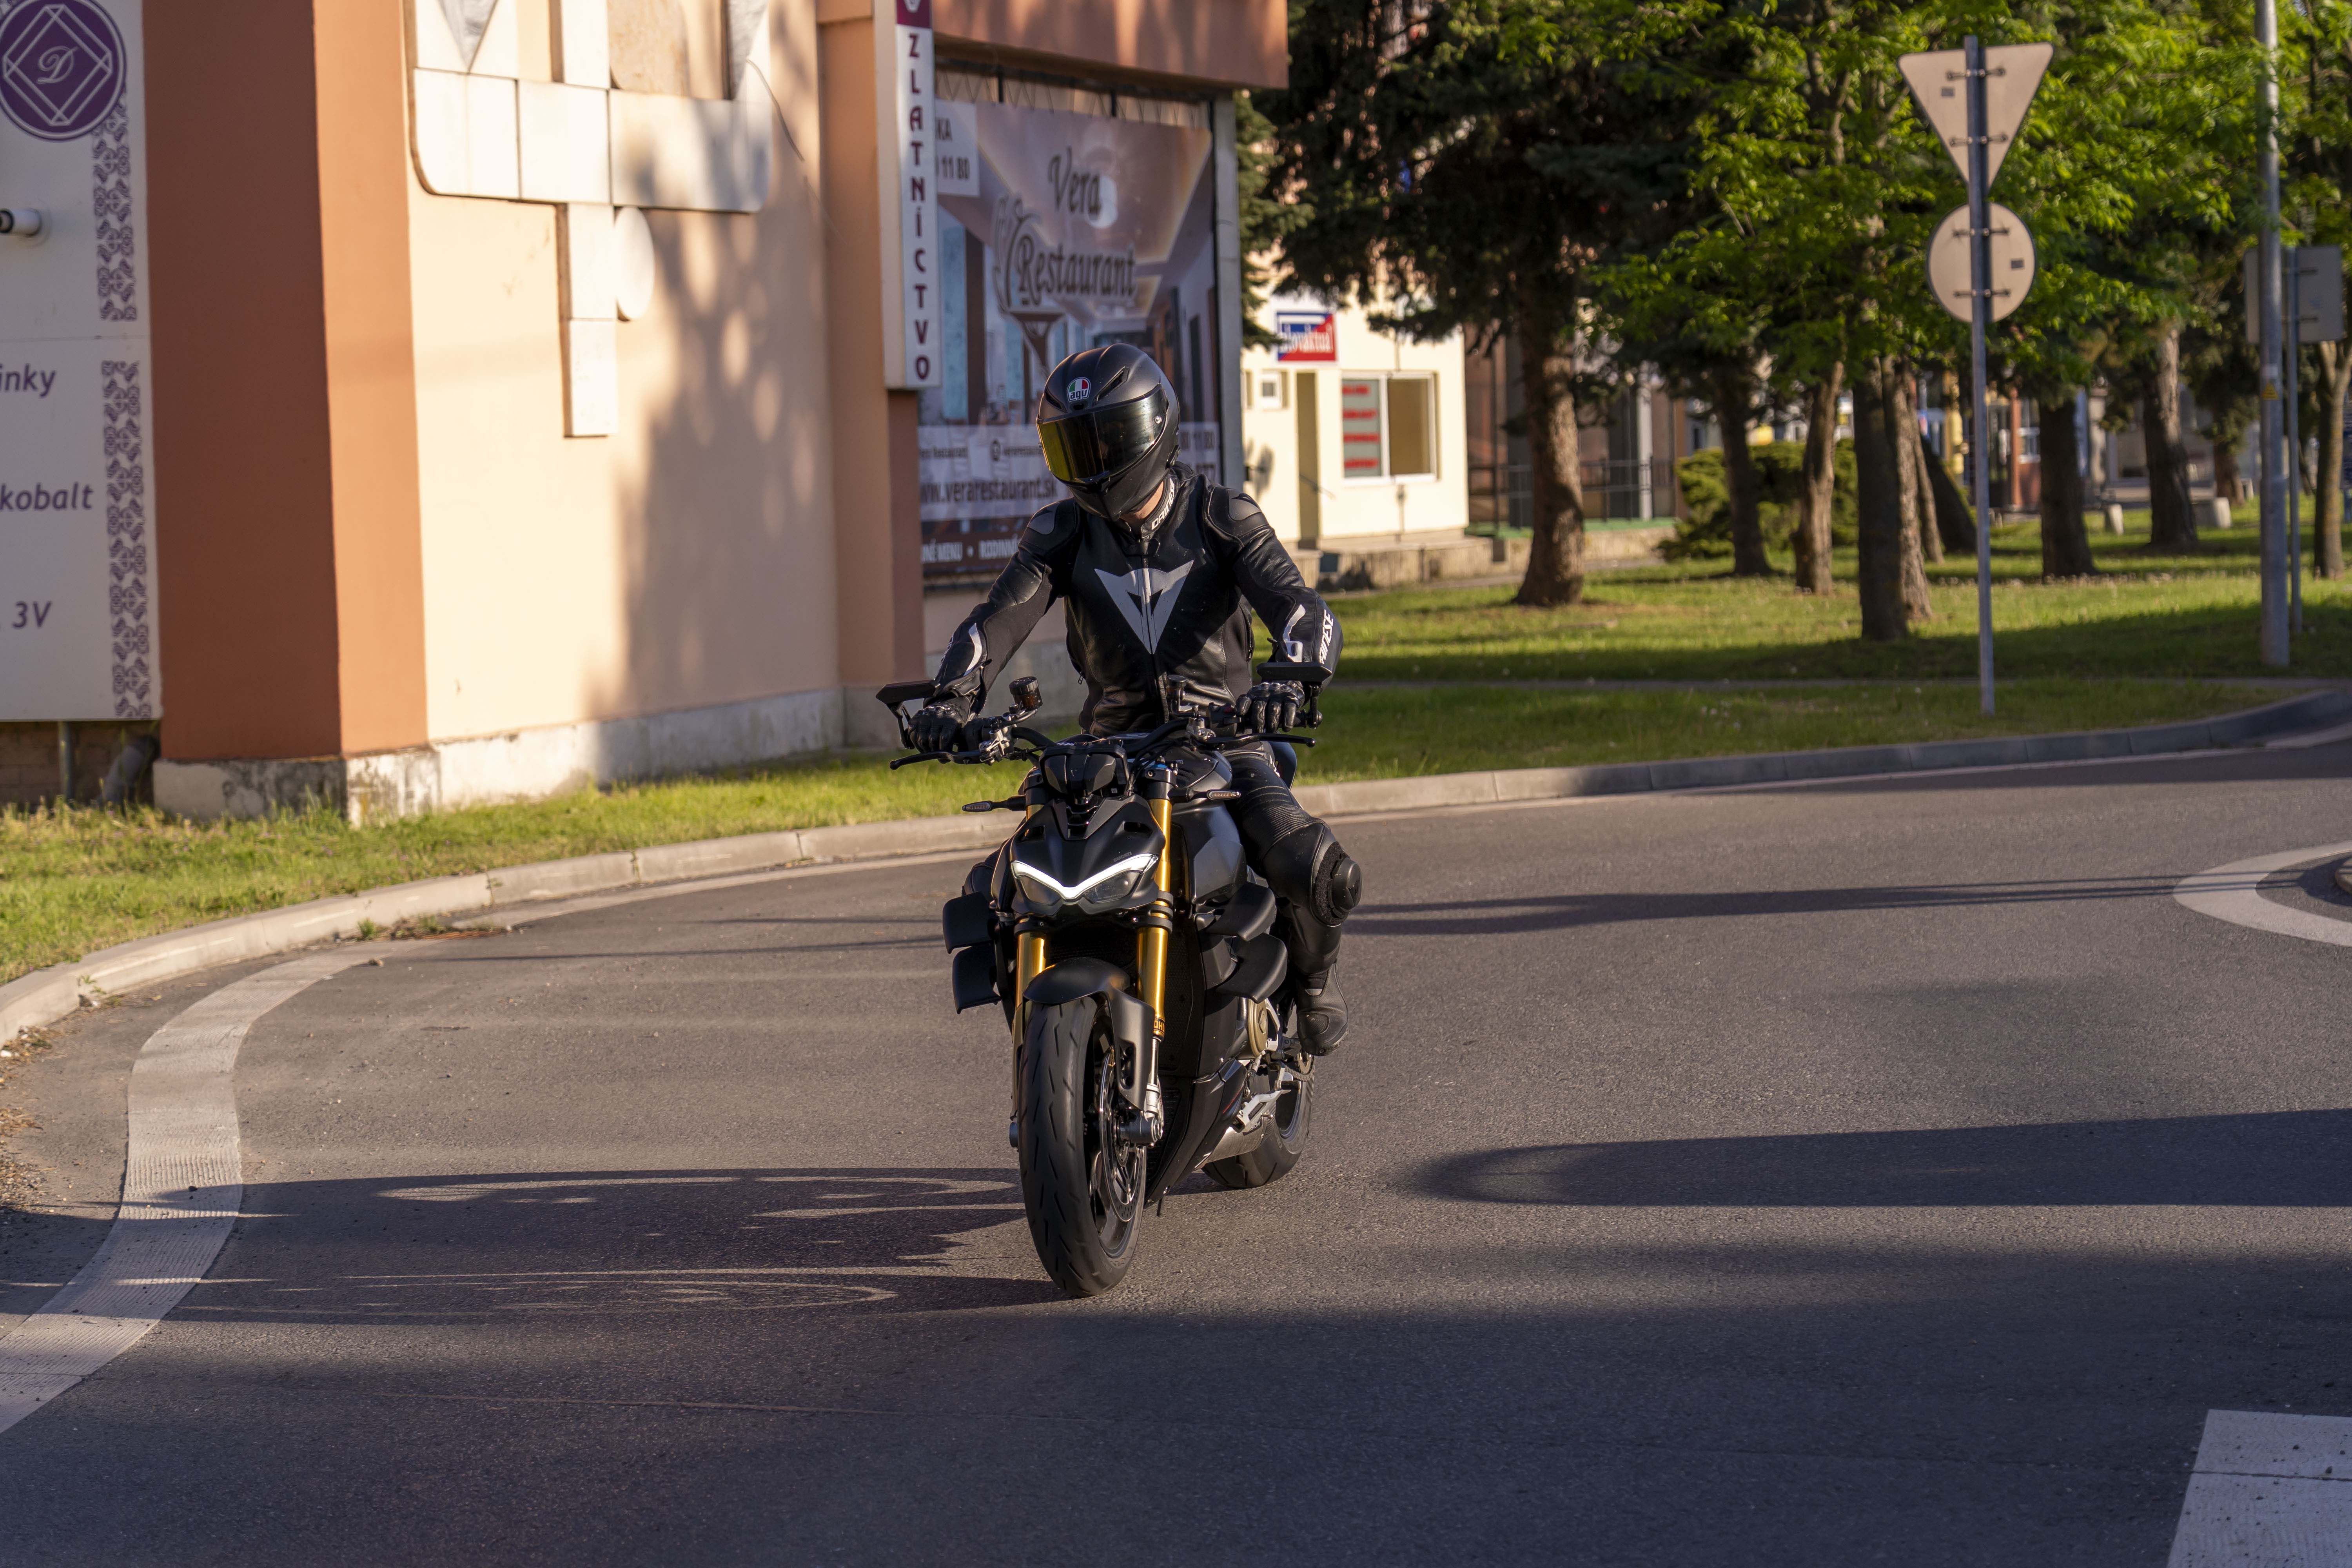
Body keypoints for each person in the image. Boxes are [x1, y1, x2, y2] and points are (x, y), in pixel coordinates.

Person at [909, 344, 1362, 1053]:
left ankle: (1311, 981)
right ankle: (1055, 1044)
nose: (1096, 462)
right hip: (1110, 749)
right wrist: (953, 700)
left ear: (1155, 429)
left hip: (1225, 740)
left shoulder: (1220, 514)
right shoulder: (1060, 533)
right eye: (1076, 445)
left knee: (1312, 866)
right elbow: (995, 622)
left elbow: (1302, 607)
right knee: (994, 894)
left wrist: (1291, 679)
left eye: (1110, 439)